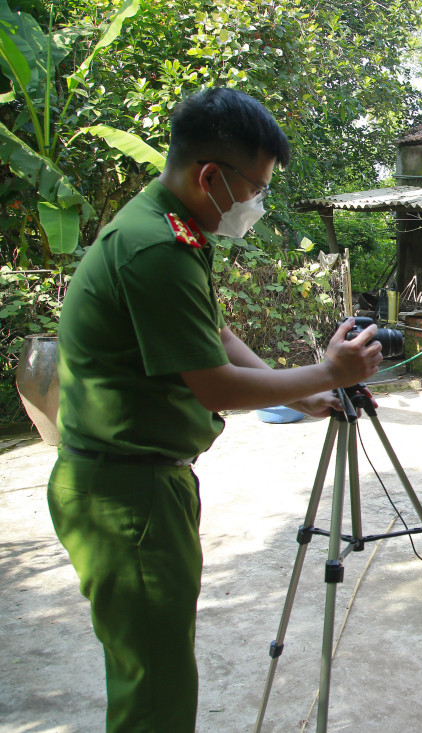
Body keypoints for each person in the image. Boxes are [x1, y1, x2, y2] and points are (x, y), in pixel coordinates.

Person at [47, 87, 383, 732]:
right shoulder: (156, 249)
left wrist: (306, 390)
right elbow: (216, 387)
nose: (256, 203)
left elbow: (214, 335)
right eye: (255, 188)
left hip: (140, 480)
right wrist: (329, 370)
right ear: (210, 176)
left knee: (157, 662)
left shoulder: (169, 227)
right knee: (156, 685)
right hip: (126, 491)